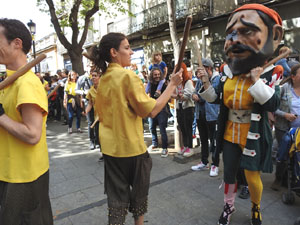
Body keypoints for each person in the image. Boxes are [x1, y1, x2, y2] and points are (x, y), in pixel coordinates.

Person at [198, 4, 283, 225]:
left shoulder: (270, 74)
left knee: (252, 177)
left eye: (246, 30)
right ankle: (229, 206)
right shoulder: (227, 73)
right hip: (229, 134)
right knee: (229, 175)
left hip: (252, 135)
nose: (234, 39)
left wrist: (256, 80)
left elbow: (272, 104)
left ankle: (256, 207)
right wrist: (206, 82)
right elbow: (217, 98)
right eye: (230, 34)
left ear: (274, 37)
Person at [91, 32, 182, 225]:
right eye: (126, 48)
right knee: (139, 196)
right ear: (114, 52)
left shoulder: (104, 78)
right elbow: (153, 110)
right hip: (131, 149)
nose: (131, 52)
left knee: (116, 200)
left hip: (110, 149)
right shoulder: (127, 76)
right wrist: (171, 85)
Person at [0, 18, 53, 225]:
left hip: (24, 176)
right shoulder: (8, 82)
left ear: (17, 43)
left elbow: (32, 134)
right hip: (8, 170)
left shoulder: (27, 83)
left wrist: (1, 116)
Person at [191, 58, 221, 177]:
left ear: (208, 68)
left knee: (213, 141)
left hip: (212, 115)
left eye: (201, 68)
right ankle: (204, 162)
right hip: (200, 114)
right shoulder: (199, 80)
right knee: (203, 139)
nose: (198, 71)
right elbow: (195, 92)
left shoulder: (216, 79)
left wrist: (199, 97)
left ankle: (215, 164)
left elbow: (211, 95)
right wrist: (194, 95)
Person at [273, 64, 300, 190]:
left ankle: (293, 178)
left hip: (299, 131)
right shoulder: (283, 89)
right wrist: (286, 115)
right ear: (293, 77)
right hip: (284, 128)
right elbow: (273, 108)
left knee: (296, 154)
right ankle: (279, 179)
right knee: (283, 153)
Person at [173, 62, 195, 157]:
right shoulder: (177, 83)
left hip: (188, 108)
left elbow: (187, 95)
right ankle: (185, 146)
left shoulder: (188, 82)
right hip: (180, 107)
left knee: (188, 127)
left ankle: (190, 147)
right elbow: (172, 94)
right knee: (182, 127)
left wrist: (179, 96)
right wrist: (178, 96)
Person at [147, 68, 169, 157]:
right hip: (152, 108)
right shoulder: (150, 84)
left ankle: (165, 148)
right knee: (151, 127)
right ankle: (154, 143)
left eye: (158, 74)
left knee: (162, 129)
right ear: (152, 75)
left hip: (162, 109)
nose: (157, 76)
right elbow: (147, 93)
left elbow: (167, 95)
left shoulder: (163, 85)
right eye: (155, 75)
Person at [86, 70, 102, 160]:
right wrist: (86, 111)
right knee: (99, 136)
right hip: (97, 117)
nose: (93, 77)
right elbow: (90, 103)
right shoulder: (91, 90)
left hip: (107, 116)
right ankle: (103, 153)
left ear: (99, 77)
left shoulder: (105, 87)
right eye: (92, 76)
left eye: (95, 75)